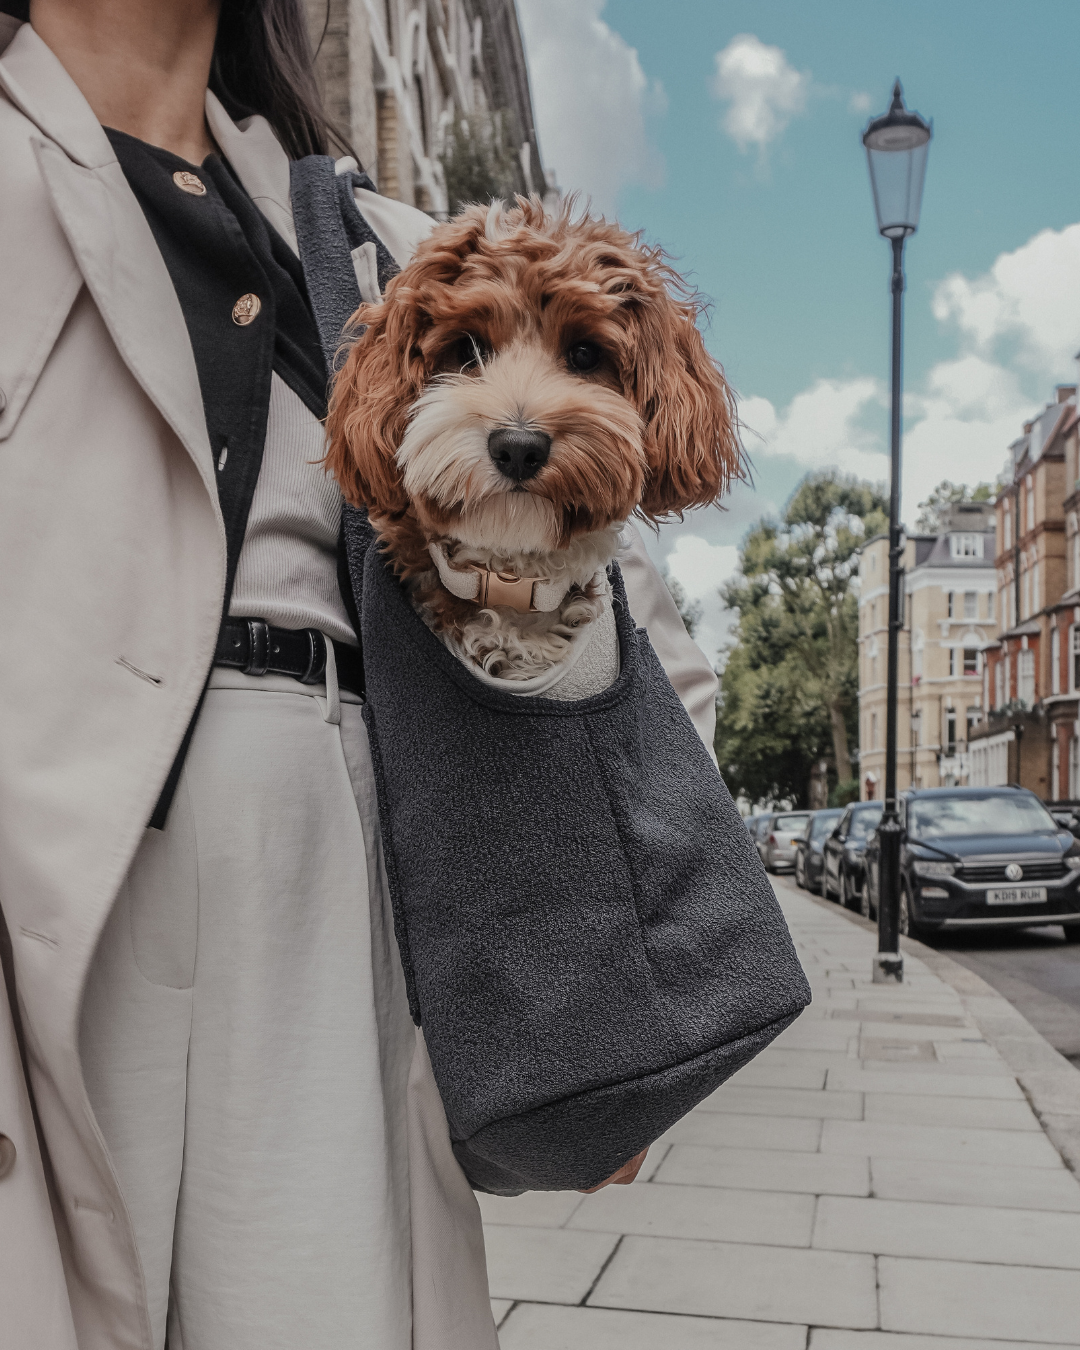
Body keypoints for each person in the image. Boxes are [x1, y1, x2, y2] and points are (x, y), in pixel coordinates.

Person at [0, 2, 721, 1347]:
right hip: (51, 876)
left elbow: (626, 624)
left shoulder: (374, 243)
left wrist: (604, 993)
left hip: (337, 857)